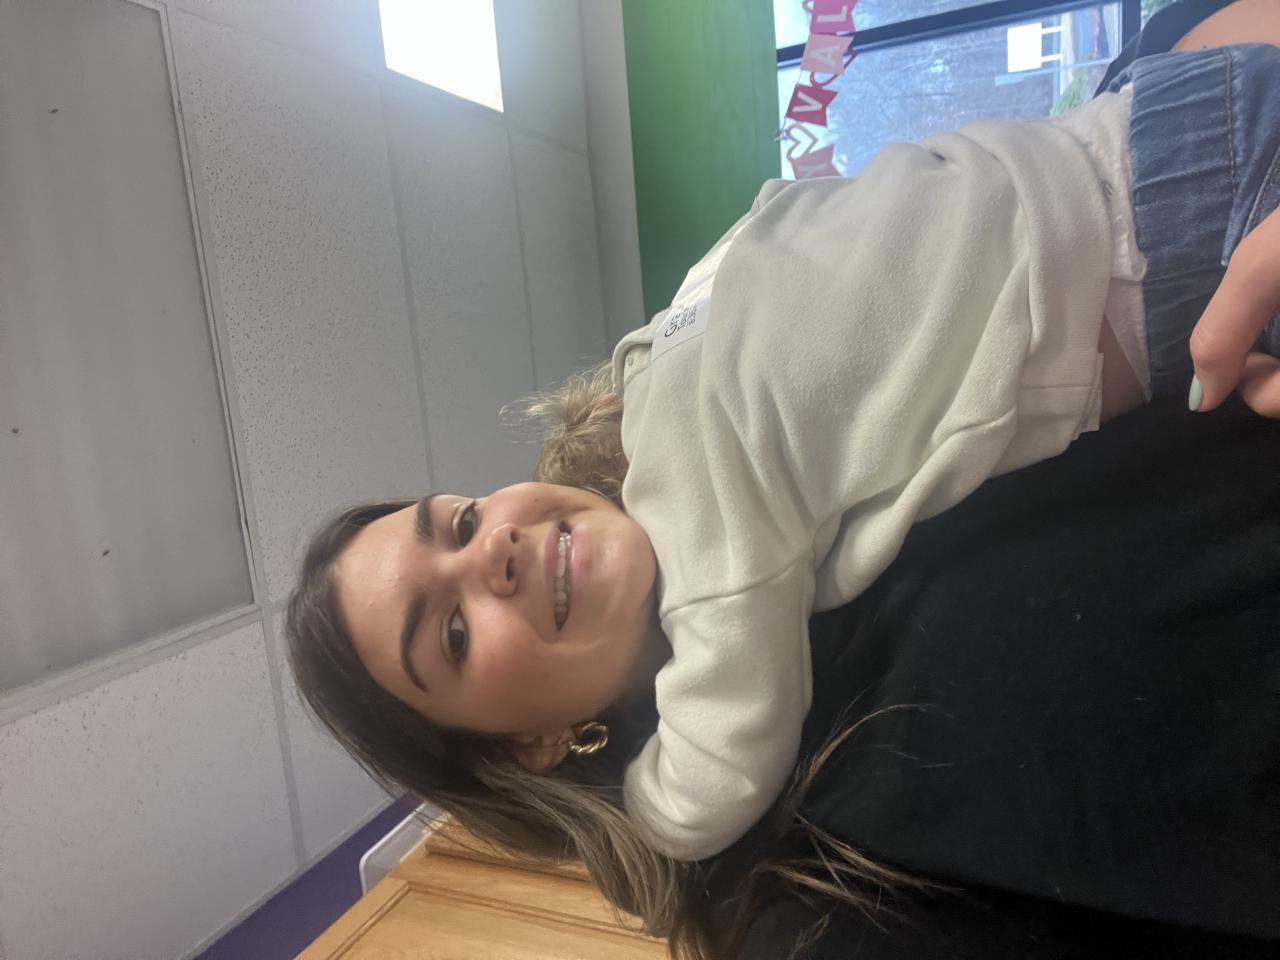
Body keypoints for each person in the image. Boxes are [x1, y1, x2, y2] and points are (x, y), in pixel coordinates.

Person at [285, 6, 1280, 957]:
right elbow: (802, 208)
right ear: (522, 748)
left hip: (1182, 237)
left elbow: (720, 763)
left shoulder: (707, 508)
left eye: (460, 521)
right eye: (452, 632)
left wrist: (652, 828)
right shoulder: (679, 335)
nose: (491, 549)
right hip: (1157, 131)